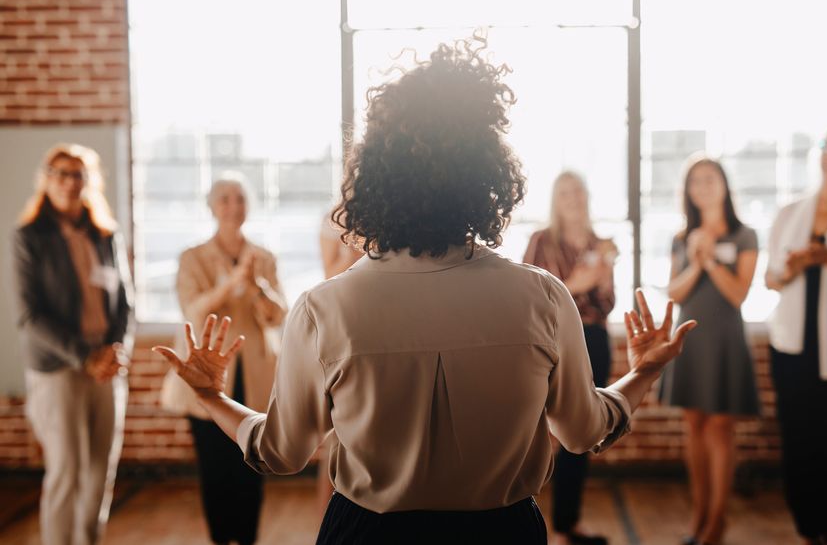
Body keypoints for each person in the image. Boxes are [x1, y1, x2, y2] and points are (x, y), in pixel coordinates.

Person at [154, 38, 696, 545]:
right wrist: (645, 369)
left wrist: (210, 396)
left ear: (370, 181)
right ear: (489, 180)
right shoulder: (543, 299)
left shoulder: (325, 308)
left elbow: (280, 451)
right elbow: (583, 432)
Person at [13, 143, 134, 545]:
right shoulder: (30, 237)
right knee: (67, 471)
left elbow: (125, 303)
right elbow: (32, 316)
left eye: (78, 174)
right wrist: (86, 357)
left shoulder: (105, 234)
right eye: (60, 173)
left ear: (89, 181)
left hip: (107, 368)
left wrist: (115, 352)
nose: (69, 182)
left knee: (101, 472)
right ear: (46, 180)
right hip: (59, 370)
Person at [160, 173, 287, 545]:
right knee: (215, 470)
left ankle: (248, 539)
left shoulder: (264, 258)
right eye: (225, 199)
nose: (233, 206)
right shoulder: (193, 258)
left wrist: (258, 287)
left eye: (240, 199)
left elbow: (278, 315)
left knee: (252, 465)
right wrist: (230, 284)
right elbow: (193, 310)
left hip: (256, 375)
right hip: (207, 374)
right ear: (212, 207)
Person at [765, 122, 827, 545]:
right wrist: (798, 266)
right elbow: (772, 279)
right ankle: (806, 528)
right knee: (799, 440)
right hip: (793, 346)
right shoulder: (791, 213)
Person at [659, 155, 760, 545]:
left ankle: (718, 521)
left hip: (726, 339)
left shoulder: (744, 235)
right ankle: (698, 518)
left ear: (723, 184)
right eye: (694, 181)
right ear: (687, 191)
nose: (702, 186)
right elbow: (674, 292)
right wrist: (696, 262)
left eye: (709, 178)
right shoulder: (682, 237)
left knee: (720, 427)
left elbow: (738, 294)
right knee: (694, 426)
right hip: (691, 339)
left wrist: (711, 258)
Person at [523, 171, 617, 545]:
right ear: (554, 199)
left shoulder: (601, 243)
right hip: (550, 342)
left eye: (578, 190)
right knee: (535, 433)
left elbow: (607, 304)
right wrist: (578, 283)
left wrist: (602, 278)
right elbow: (532, 298)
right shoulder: (540, 241)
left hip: (594, 339)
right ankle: (525, 525)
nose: (573, 198)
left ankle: (566, 525)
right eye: (565, 192)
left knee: (583, 433)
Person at [314, 213, 364, 517]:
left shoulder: (399, 206)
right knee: (336, 434)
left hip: (386, 317)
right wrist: (353, 252)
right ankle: (328, 522)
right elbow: (328, 277)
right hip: (345, 324)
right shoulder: (336, 218)